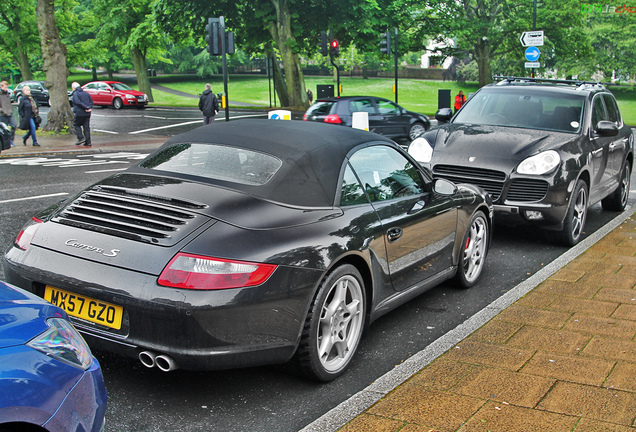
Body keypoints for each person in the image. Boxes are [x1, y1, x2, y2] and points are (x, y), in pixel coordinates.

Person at [71, 82, 94, 146]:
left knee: (76, 125)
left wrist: (85, 107)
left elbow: (77, 102)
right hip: (87, 113)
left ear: (73, 88)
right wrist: (88, 107)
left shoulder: (76, 93)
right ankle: (88, 141)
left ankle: (81, 138)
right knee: (86, 127)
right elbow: (91, 102)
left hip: (79, 112)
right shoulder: (86, 93)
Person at [0, 81, 16, 147]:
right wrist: (2, 110)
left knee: (14, 125)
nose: (6, 88)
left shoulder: (7, 94)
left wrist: (9, 110)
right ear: (1, 87)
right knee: (4, 130)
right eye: (5, 87)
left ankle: (11, 140)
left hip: (9, 113)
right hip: (2, 114)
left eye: (7, 87)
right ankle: (6, 143)